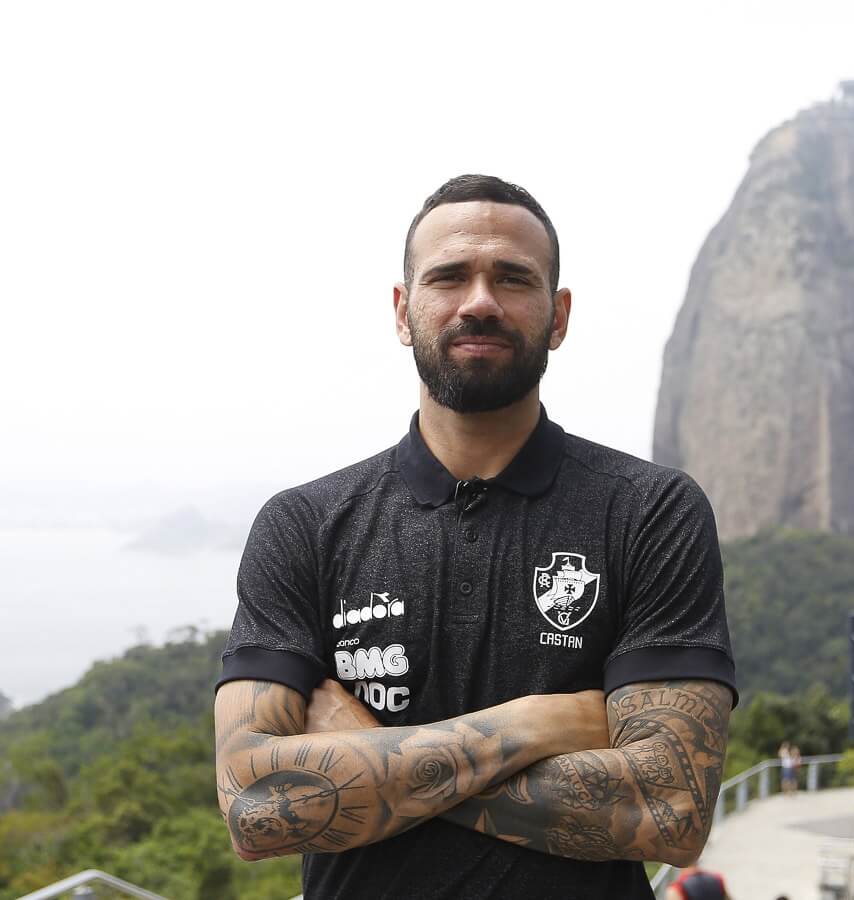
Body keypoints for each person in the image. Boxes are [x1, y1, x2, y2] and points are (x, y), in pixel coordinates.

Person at [213, 174, 737, 899]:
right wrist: (533, 724)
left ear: (557, 316)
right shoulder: (304, 524)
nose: (480, 301)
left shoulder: (649, 511)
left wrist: (362, 753)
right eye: (449, 276)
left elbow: (668, 809)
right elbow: (254, 807)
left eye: (512, 278)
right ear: (404, 311)